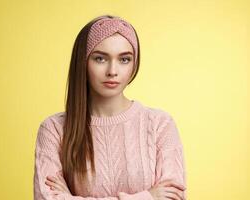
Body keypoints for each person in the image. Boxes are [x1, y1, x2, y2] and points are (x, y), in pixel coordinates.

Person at [33, 15, 187, 200]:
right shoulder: (54, 129)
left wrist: (69, 197)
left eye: (124, 59)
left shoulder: (160, 125)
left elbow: (174, 197)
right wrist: (147, 197)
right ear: (83, 62)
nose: (112, 71)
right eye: (100, 58)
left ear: (134, 64)